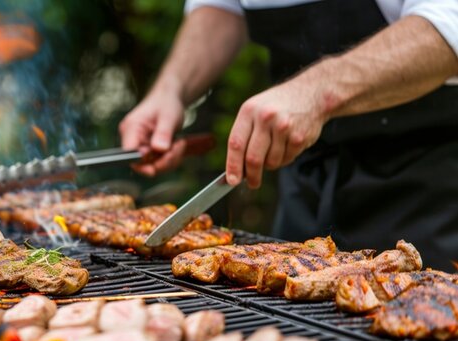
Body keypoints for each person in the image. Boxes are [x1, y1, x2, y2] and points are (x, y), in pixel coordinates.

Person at [119, 0, 458, 270]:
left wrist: (317, 93)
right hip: (307, 174)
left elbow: (449, 20)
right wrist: (171, 89)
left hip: (428, 178)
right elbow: (222, 7)